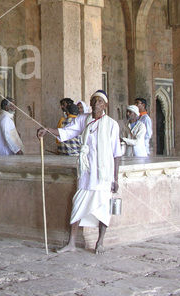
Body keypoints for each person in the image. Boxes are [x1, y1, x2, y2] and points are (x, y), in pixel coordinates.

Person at [37, 90, 123, 254]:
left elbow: (116, 153)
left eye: (99, 101)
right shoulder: (84, 120)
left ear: (105, 105)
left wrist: (115, 178)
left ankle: (100, 242)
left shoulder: (112, 124)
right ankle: (71, 243)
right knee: (77, 204)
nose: (95, 104)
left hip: (103, 174)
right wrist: (47, 130)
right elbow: (67, 132)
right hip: (86, 172)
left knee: (103, 208)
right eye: (93, 101)